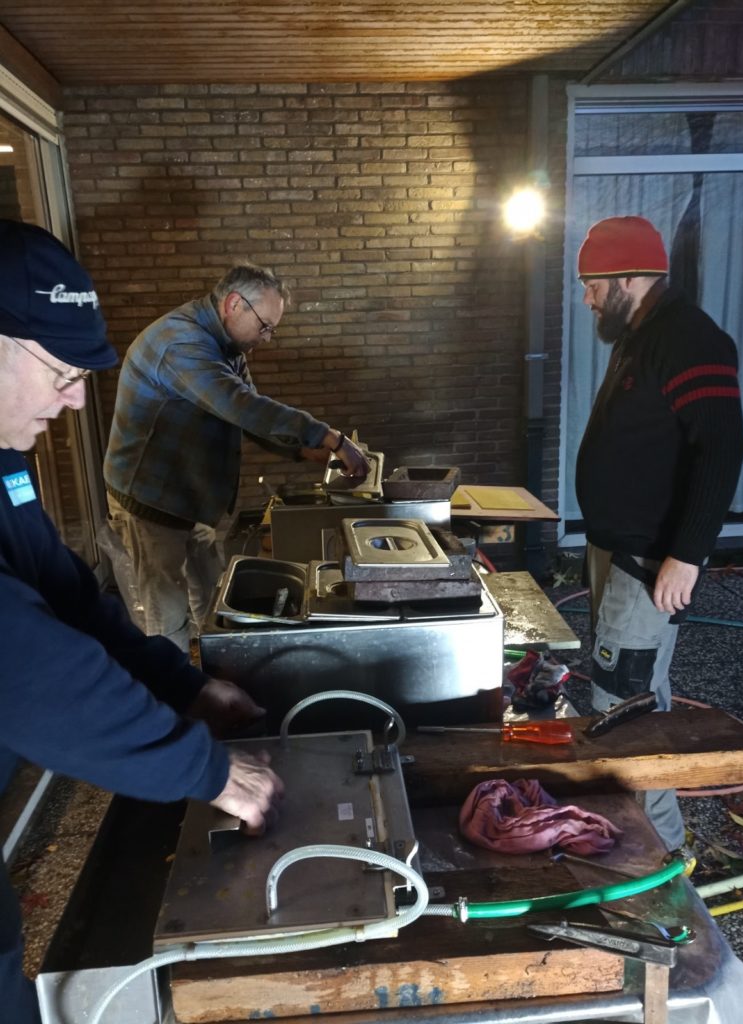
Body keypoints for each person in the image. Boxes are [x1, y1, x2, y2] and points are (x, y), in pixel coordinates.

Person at [0, 219, 284, 1024]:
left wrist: (180, 685)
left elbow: (66, 597)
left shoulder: (5, 466)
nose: (76, 399)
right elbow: (27, 666)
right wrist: (205, 769)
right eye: (61, 372)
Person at [575, 215, 743, 853]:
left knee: (622, 705)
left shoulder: (687, 338)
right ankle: (655, 846)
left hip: (648, 558)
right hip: (616, 549)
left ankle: (654, 859)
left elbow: (721, 449)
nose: (587, 299)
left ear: (628, 278)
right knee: (639, 695)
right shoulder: (640, 334)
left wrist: (688, 554)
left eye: (593, 286)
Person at [103, 265, 369, 651]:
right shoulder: (180, 343)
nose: (267, 337)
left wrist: (298, 448)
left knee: (211, 591)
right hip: (150, 497)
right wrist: (330, 436)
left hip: (187, 492)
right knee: (167, 611)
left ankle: (212, 665)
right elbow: (240, 405)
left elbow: (249, 412)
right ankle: (174, 683)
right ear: (234, 304)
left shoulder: (226, 345)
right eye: (265, 326)